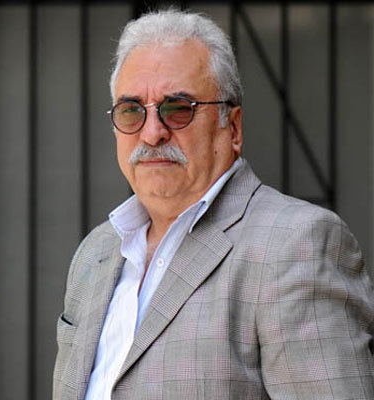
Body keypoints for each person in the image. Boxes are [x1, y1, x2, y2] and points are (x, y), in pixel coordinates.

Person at [53, 9, 374, 400]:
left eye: (177, 109)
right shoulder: (96, 252)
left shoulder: (296, 245)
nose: (152, 133)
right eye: (131, 110)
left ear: (232, 127)